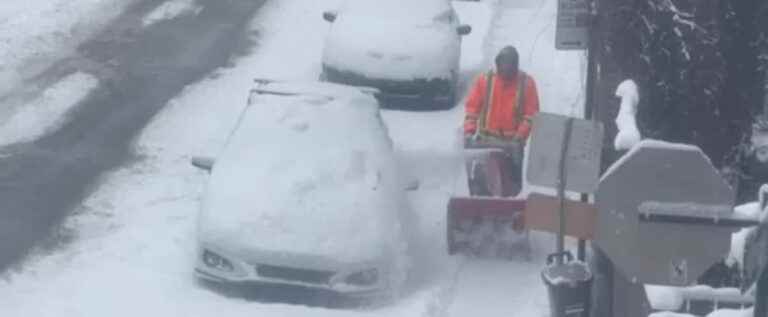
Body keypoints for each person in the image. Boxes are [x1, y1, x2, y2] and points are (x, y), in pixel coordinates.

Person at [463, 46, 540, 197]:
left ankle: (506, 212)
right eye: (503, 64)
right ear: (497, 63)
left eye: (510, 65)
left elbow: (531, 115)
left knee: (509, 189)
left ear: (515, 65)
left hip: (511, 146)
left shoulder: (526, 83)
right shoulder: (485, 81)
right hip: (486, 143)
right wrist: (469, 132)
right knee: (480, 185)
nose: (506, 69)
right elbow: (472, 109)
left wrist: (519, 137)